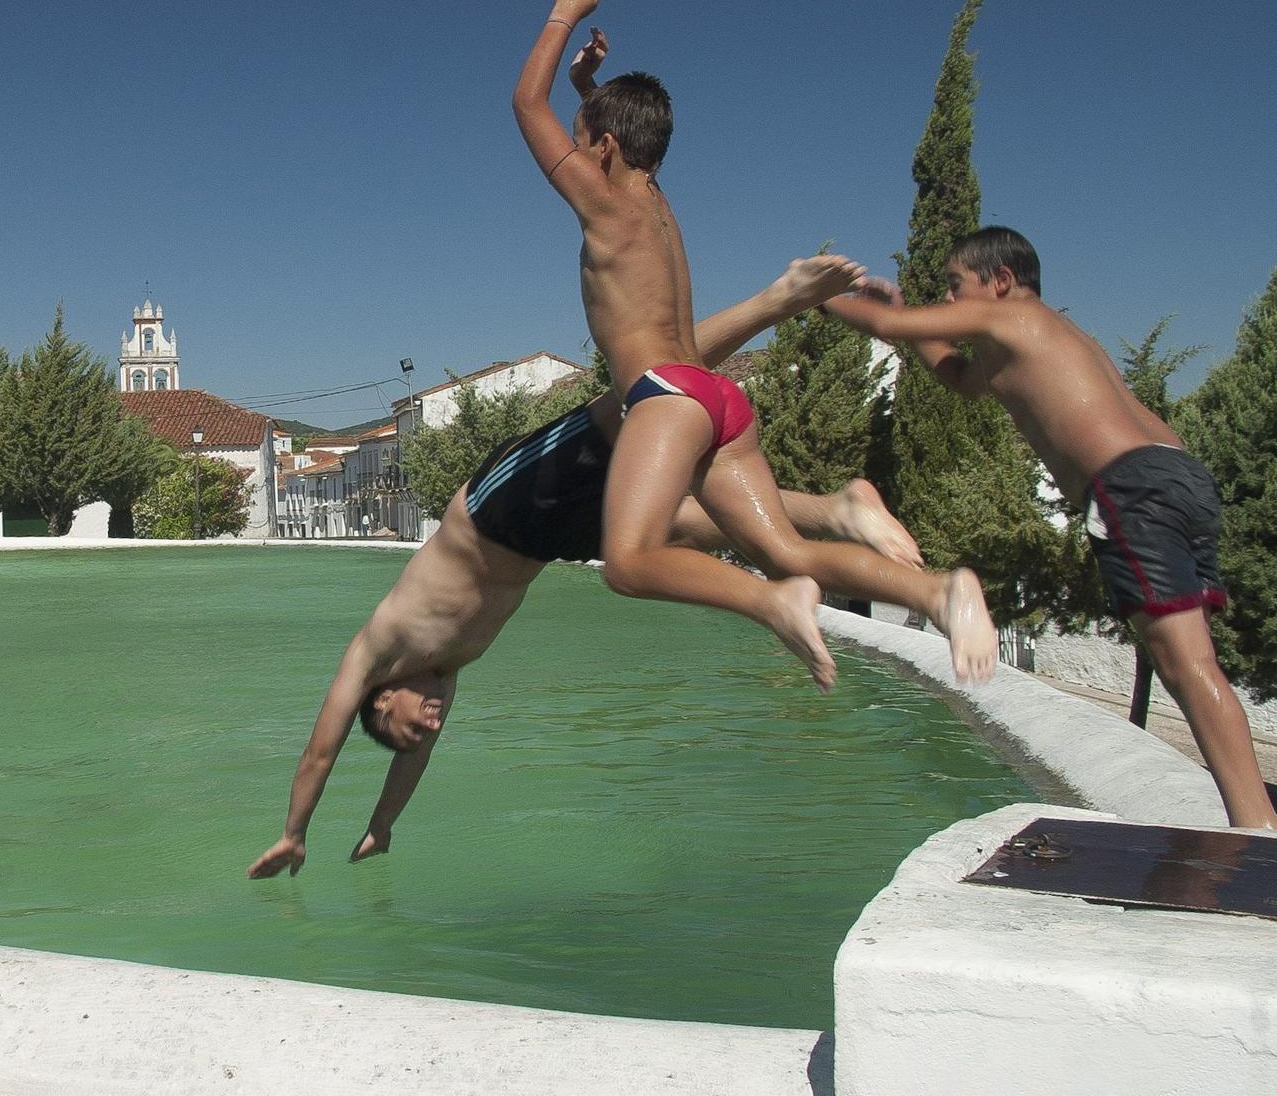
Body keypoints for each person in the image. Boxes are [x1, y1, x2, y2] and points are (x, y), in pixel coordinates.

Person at [247, 257, 926, 878]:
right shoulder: (442, 680)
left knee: (644, 391)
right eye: (424, 729)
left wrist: (294, 832)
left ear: (382, 702)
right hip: (547, 541)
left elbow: (320, 752)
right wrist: (382, 825)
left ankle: (778, 301)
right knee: (684, 524)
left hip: (500, 504)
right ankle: (836, 510)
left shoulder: (376, 651)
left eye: (406, 724)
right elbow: (411, 764)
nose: (426, 726)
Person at [513, 0, 997, 693]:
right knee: (789, 550)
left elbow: (527, 103)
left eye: (583, 144)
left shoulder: (605, 206)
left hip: (665, 396)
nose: (574, 157)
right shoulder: (656, 203)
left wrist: (562, 15)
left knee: (630, 561)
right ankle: (938, 592)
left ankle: (771, 601)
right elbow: (605, 127)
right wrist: (589, 81)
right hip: (719, 400)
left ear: (606, 149)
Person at [823, 226, 1277, 829]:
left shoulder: (1012, 318)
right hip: (1180, 475)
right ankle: (1254, 821)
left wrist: (812, 295)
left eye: (957, 287)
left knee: (1185, 663)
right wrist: (906, 313)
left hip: (1130, 485)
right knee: (1194, 661)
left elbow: (879, 329)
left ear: (1002, 280)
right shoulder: (1039, 337)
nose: (954, 304)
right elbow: (958, 379)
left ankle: (1256, 831)